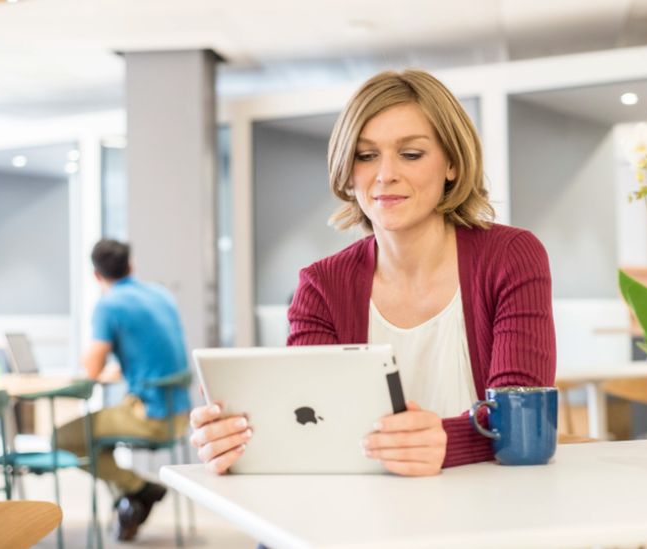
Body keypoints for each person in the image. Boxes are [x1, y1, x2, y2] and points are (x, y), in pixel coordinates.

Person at [190, 69, 556, 477]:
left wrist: (446, 441)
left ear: (452, 163)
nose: (385, 175)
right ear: (348, 171)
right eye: (366, 156)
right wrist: (239, 440)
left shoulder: (511, 256)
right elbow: (313, 430)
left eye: (411, 154)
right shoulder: (321, 286)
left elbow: (523, 421)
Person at [56, 239, 191, 541]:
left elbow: (90, 369)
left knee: (65, 438)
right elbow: (157, 354)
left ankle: (140, 489)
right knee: (97, 439)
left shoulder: (109, 304)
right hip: (180, 412)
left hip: (150, 416)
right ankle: (131, 503)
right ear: (132, 266)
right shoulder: (161, 294)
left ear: (96, 275)